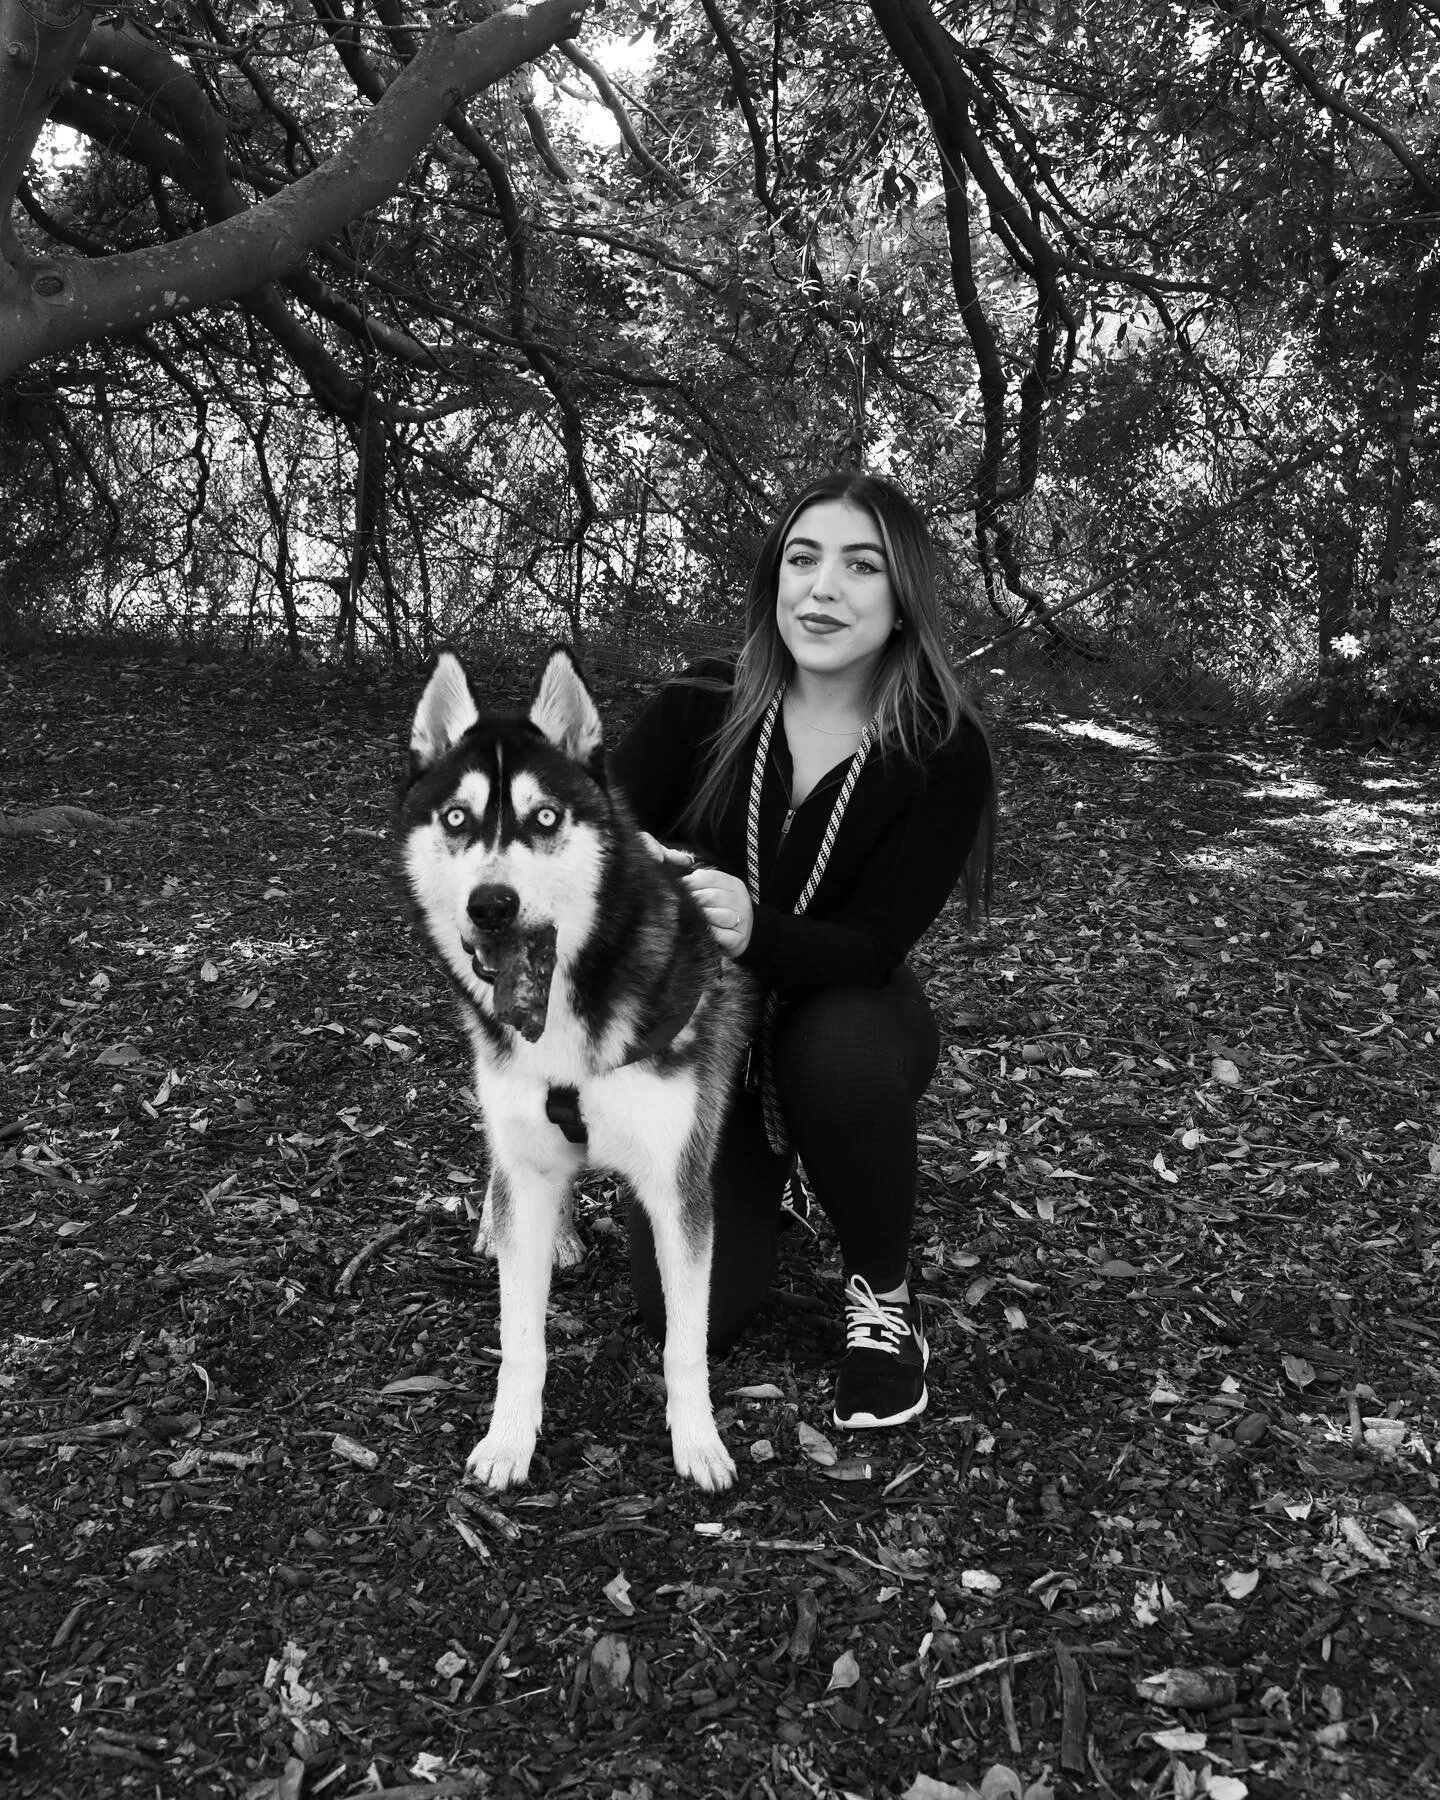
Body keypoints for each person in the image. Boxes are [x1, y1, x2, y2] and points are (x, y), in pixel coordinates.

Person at [610, 471, 995, 1431]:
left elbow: (871, 947)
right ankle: (760, 1181)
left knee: (841, 1051)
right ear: (773, 581)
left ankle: (883, 1300)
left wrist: (756, 927)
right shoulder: (699, 705)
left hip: (846, 1011)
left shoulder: (940, 751)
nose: (823, 589)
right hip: (703, 1040)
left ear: (903, 598)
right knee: (689, 1321)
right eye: (802, 559)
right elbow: (589, 857)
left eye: (860, 566)